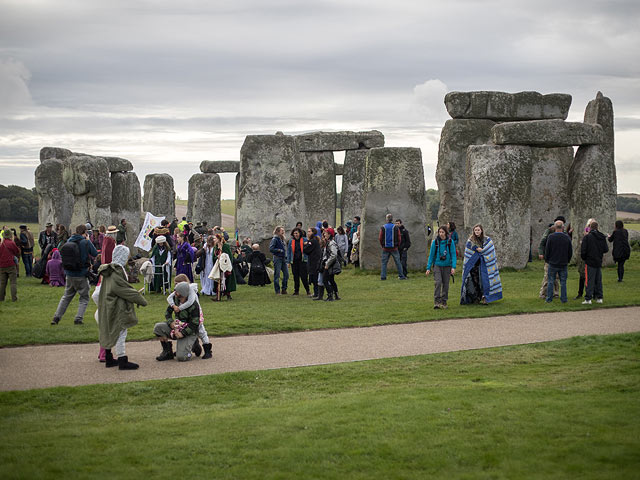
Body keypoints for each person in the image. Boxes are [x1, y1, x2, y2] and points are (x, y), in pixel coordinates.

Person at [97, 245, 147, 369]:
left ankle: (109, 358)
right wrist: (140, 300)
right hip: (116, 306)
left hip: (109, 304)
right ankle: (122, 359)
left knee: (110, 330)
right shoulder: (116, 272)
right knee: (121, 332)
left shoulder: (109, 271)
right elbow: (123, 290)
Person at [51, 224, 98, 325]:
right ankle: (78, 318)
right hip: (81, 273)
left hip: (69, 273)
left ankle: (56, 317)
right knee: (84, 297)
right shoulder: (85, 242)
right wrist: (88, 240)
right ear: (84, 233)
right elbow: (94, 253)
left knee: (66, 297)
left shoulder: (69, 241)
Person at [168, 274, 213, 359]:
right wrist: (173, 305)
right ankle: (191, 346)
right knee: (183, 329)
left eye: (177, 284)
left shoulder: (191, 293)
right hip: (186, 316)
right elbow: (169, 298)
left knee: (201, 331)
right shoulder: (179, 293)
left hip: (196, 315)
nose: (175, 287)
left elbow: (190, 303)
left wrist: (179, 308)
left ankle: (207, 350)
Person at [153, 281, 200, 362]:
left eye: (177, 291)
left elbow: (195, 323)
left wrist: (183, 333)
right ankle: (167, 352)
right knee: (158, 328)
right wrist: (170, 322)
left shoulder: (193, 305)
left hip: (189, 331)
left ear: (183, 293)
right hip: (177, 327)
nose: (175, 292)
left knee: (182, 357)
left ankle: (192, 348)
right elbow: (167, 313)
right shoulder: (175, 300)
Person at [460, 224, 503, 305]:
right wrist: (476, 249)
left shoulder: (487, 240)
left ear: (481, 230)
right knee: (474, 282)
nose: (477, 231)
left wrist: (482, 251)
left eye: (478, 230)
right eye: (475, 230)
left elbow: (490, 250)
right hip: (474, 266)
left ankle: (485, 298)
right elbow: (468, 252)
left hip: (485, 266)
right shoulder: (470, 241)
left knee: (484, 282)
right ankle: (476, 298)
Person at [426, 225, 456, 309]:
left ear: (446, 233)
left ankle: (444, 301)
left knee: (446, 284)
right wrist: (428, 268)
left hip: (447, 266)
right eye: (439, 232)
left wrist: (453, 267)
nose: (441, 234)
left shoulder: (450, 242)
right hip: (437, 265)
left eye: (443, 232)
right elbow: (431, 256)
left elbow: (453, 255)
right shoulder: (435, 242)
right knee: (438, 282)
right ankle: (437, 301)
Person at [544, 220, 573, 303]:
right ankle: (564, 299)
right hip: (563, 263)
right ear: (563, 227)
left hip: (552, 262)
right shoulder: (567, 237)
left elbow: (547, 250)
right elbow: (570, 251)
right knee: (563, 282)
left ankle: (549, 298)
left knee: (550, 281)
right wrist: (567, 260)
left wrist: (547, 260)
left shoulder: (551, 237)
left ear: (555, 227)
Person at [581, 220, 609, 305]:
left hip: (590, 261)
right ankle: (599, 297)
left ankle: (588, 298)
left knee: (589, 280)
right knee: (598, 280)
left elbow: (583, 250)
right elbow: (606, 249)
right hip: (598, 260)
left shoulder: (587, 237)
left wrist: (584, 258)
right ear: (597, 227)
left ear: (590, 227)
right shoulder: (602, 236)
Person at [208, 233, 236, 300]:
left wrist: (226, 264)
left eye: (215, 238)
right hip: (218, 266)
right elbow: (213, 257)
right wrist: (217, 258)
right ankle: (218, 295)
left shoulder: (225, 246)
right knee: (218, 281)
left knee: (226, 280)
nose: (214, 240)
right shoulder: (215, 247)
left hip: (225, 267)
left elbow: (229, 256)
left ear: (219, 239)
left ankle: (228, 295)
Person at [379, 213, 407, 281]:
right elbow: (399, 237)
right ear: (392, 219)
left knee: (384, 263)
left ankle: (383, 277)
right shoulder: (396, 227)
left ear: (386, 219)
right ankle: (401, 275)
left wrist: (382, 245)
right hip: (394, 248)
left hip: (385, 248)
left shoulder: (383, 227)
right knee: (398, 262)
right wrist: (397, 245)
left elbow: (380, 237)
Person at [287, 227, 311, 296]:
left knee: (304, 276)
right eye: (294, 233)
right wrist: (288, 262)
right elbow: (289, 252)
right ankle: (296, 291)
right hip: (294, 261)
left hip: (303, 261)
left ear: (300, 233)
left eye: (297, 233)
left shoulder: (304, 240)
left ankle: (308, 290)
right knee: (295, 276)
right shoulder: (291, 241)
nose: (295, 235)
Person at [321, 227, 342, 301]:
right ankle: (336, 295)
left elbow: (333, 255)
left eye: (326, 233)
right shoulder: (328, 242)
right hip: (330, 264)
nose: (324, 234)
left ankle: (330, 295)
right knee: (331, 280)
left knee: (325, 280)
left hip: (330, 265)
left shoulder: (331, 243)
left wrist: (327, 264)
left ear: (329, 234)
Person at [0, 229, 20, 302]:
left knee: (2, 283)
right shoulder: (11, 243)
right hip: (11, 265)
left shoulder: (1, 244)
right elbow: (17, 251)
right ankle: (14, 298)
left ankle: (1, 298)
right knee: (13, 282)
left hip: (2, 265)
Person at [269, 226, 289, 295]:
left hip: (283, 258)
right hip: (277, 258)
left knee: (286, 274)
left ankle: (284, 288)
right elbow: (271, 249)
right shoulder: (275, 239)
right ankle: (277, 290)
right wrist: (279, 250)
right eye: (282, 231)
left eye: (283, 230)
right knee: (277, 274)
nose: (283, 232)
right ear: (278, 232)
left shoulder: (282, 239)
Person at [304, 227, 322, 297]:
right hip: (313, 261)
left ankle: (317, 293)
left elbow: (306, 250)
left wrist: (305, 245)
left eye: (309, 232)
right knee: (314, 277)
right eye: (307, 232)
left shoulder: (312, 241)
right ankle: (316, 292)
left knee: (315, 278)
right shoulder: (312, 241)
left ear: (313, 232)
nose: (308, 233)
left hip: (315, 262)